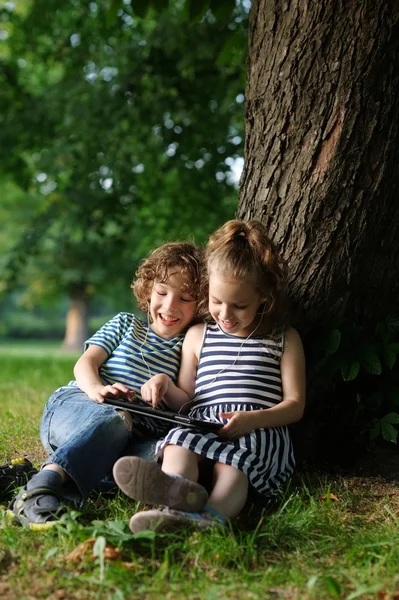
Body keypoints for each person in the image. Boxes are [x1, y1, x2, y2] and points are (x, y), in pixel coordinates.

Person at [112, 219, 306, 533]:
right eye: (216, 302)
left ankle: (210, 518)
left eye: (239, 306)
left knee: (234, 465)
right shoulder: (199, 335)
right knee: (177, 442)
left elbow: (295, 404)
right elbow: (185, 399)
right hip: (203, 422)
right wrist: (164, 383)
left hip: (257, 430)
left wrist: (253, 420)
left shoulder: (283, 338)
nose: (226, 314)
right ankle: (172, 496)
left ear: (263, 299)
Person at [7, 241, 207, 531]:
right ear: (148, 290)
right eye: (162, 292)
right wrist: (96, 390)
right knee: (116, 417)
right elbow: (85, 363)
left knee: (169, 453)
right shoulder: (125, 324)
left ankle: (28, 477)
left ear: (200, 303)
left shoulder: (189, 345)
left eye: (185, 298)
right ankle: (38, 489)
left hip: (131, 436)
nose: (170, 305)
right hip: (79, 406)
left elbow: (183, 401)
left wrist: (165, 384)